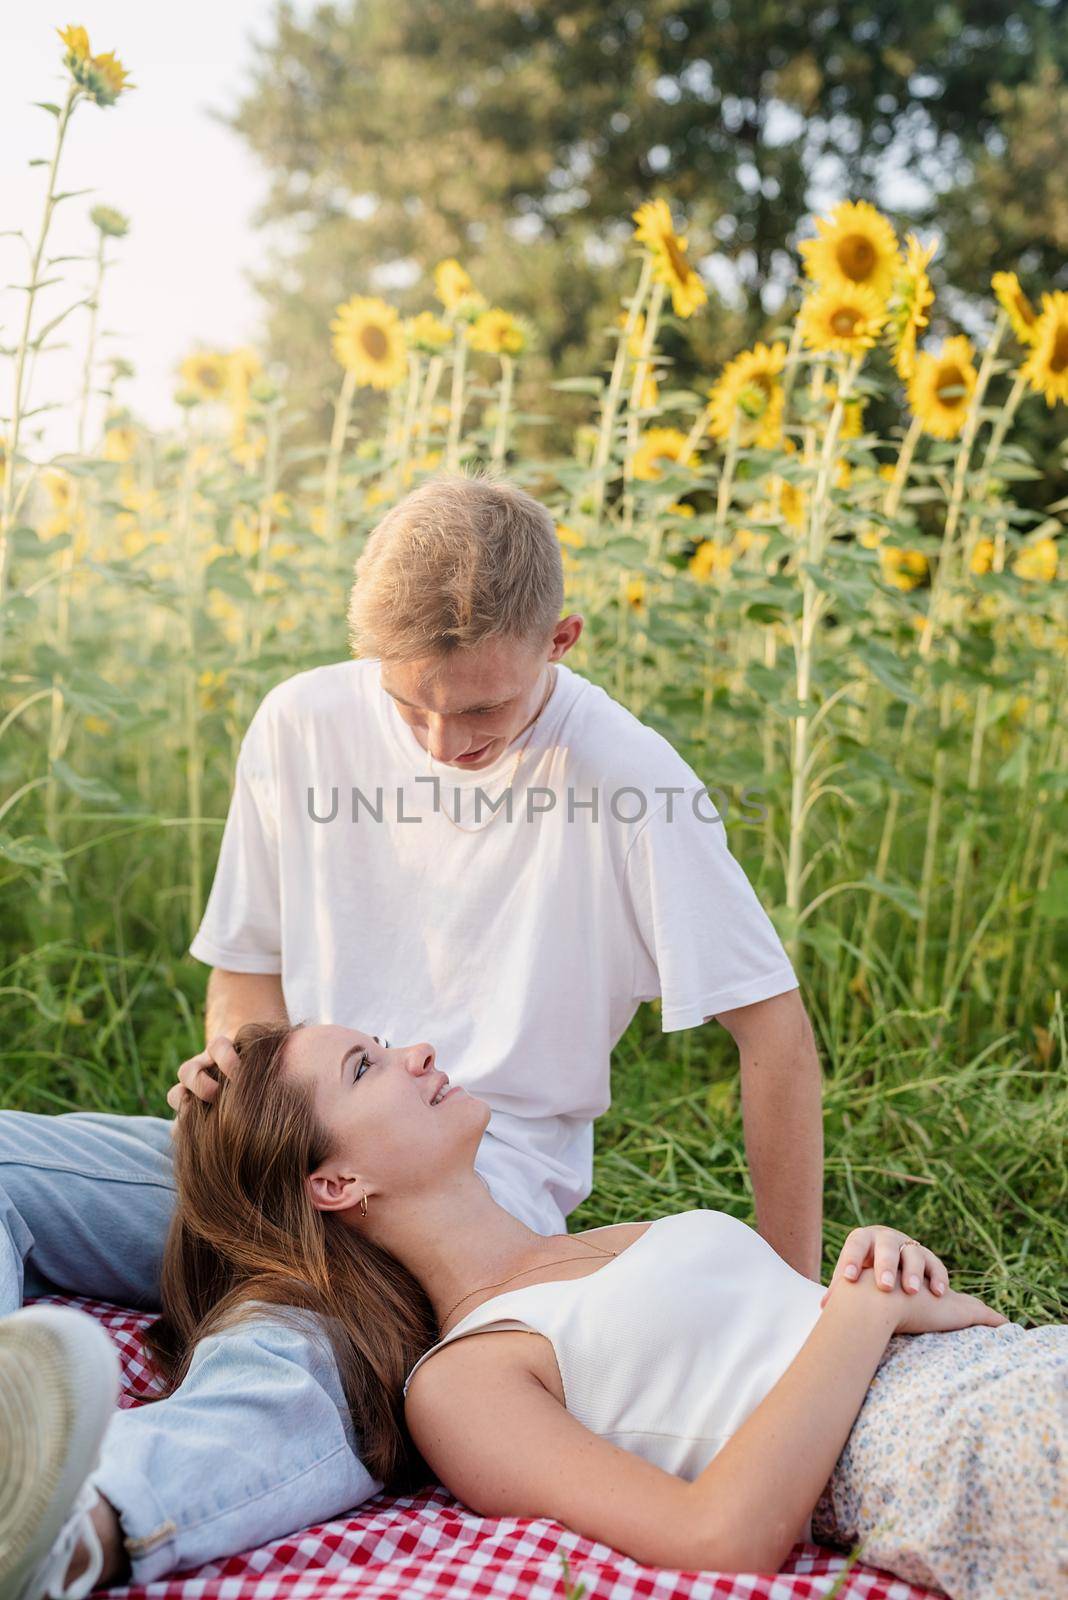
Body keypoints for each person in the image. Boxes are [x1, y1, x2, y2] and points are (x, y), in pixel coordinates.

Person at [0, 471, 925, 1592]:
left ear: (562, 640)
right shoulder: (302, 722)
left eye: (484, 708)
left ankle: (77, 1527)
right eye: (412, 704)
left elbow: (771, 1035)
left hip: (464, 1205)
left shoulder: (629, 779)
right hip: (300, 1142)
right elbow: (247, 973)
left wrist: (789, 1318)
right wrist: (242, 1077)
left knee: (292, 1364)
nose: (445, 739)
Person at [4, 1019, 1062, 1600]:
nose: (417, 1048)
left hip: (1019, 1369)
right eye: (368, 1064)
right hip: (965, 1447)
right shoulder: (463, 1378)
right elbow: (719, 1538)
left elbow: (932, 1321)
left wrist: (896, 1283)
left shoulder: (609, 1235)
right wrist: (854, 1317)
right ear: (335, 1185)